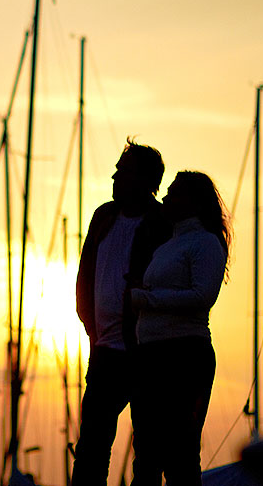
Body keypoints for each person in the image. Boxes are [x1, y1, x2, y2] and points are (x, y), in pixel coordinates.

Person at [72, 141, 171, 486]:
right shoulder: (104, 216)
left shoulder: (161, 223)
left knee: (148, 451)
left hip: (145, 352)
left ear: (145, 179)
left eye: (123, 171)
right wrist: (90, 324)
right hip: (104, 351)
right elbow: (85, 273)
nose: (114, 177)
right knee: (91, 447)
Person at [129, 171, 231, 486]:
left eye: (173, 193)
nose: (166, 198)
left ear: (192, 202)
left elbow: (202, 296)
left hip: (184, 356)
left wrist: (147, 299)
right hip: (150, 356)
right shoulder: (166, 246)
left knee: (181, 455)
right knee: (145, 454)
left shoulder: (206, 243)